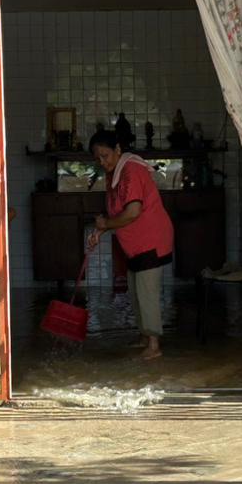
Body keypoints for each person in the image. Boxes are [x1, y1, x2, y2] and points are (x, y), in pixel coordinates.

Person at [87, 130, 174, 360]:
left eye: (105, 155)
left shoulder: (131, 171)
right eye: (97, 158)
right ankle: (145, 336)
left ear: (118, 149)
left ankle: (154, 345)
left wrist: (106, 224)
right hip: (135, 242)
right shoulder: (113, 173)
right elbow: (115, 210)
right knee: (135, 290)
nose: (102, 162)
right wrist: (99, 230)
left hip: (150, 239)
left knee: (146, 292)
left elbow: (133, 211)